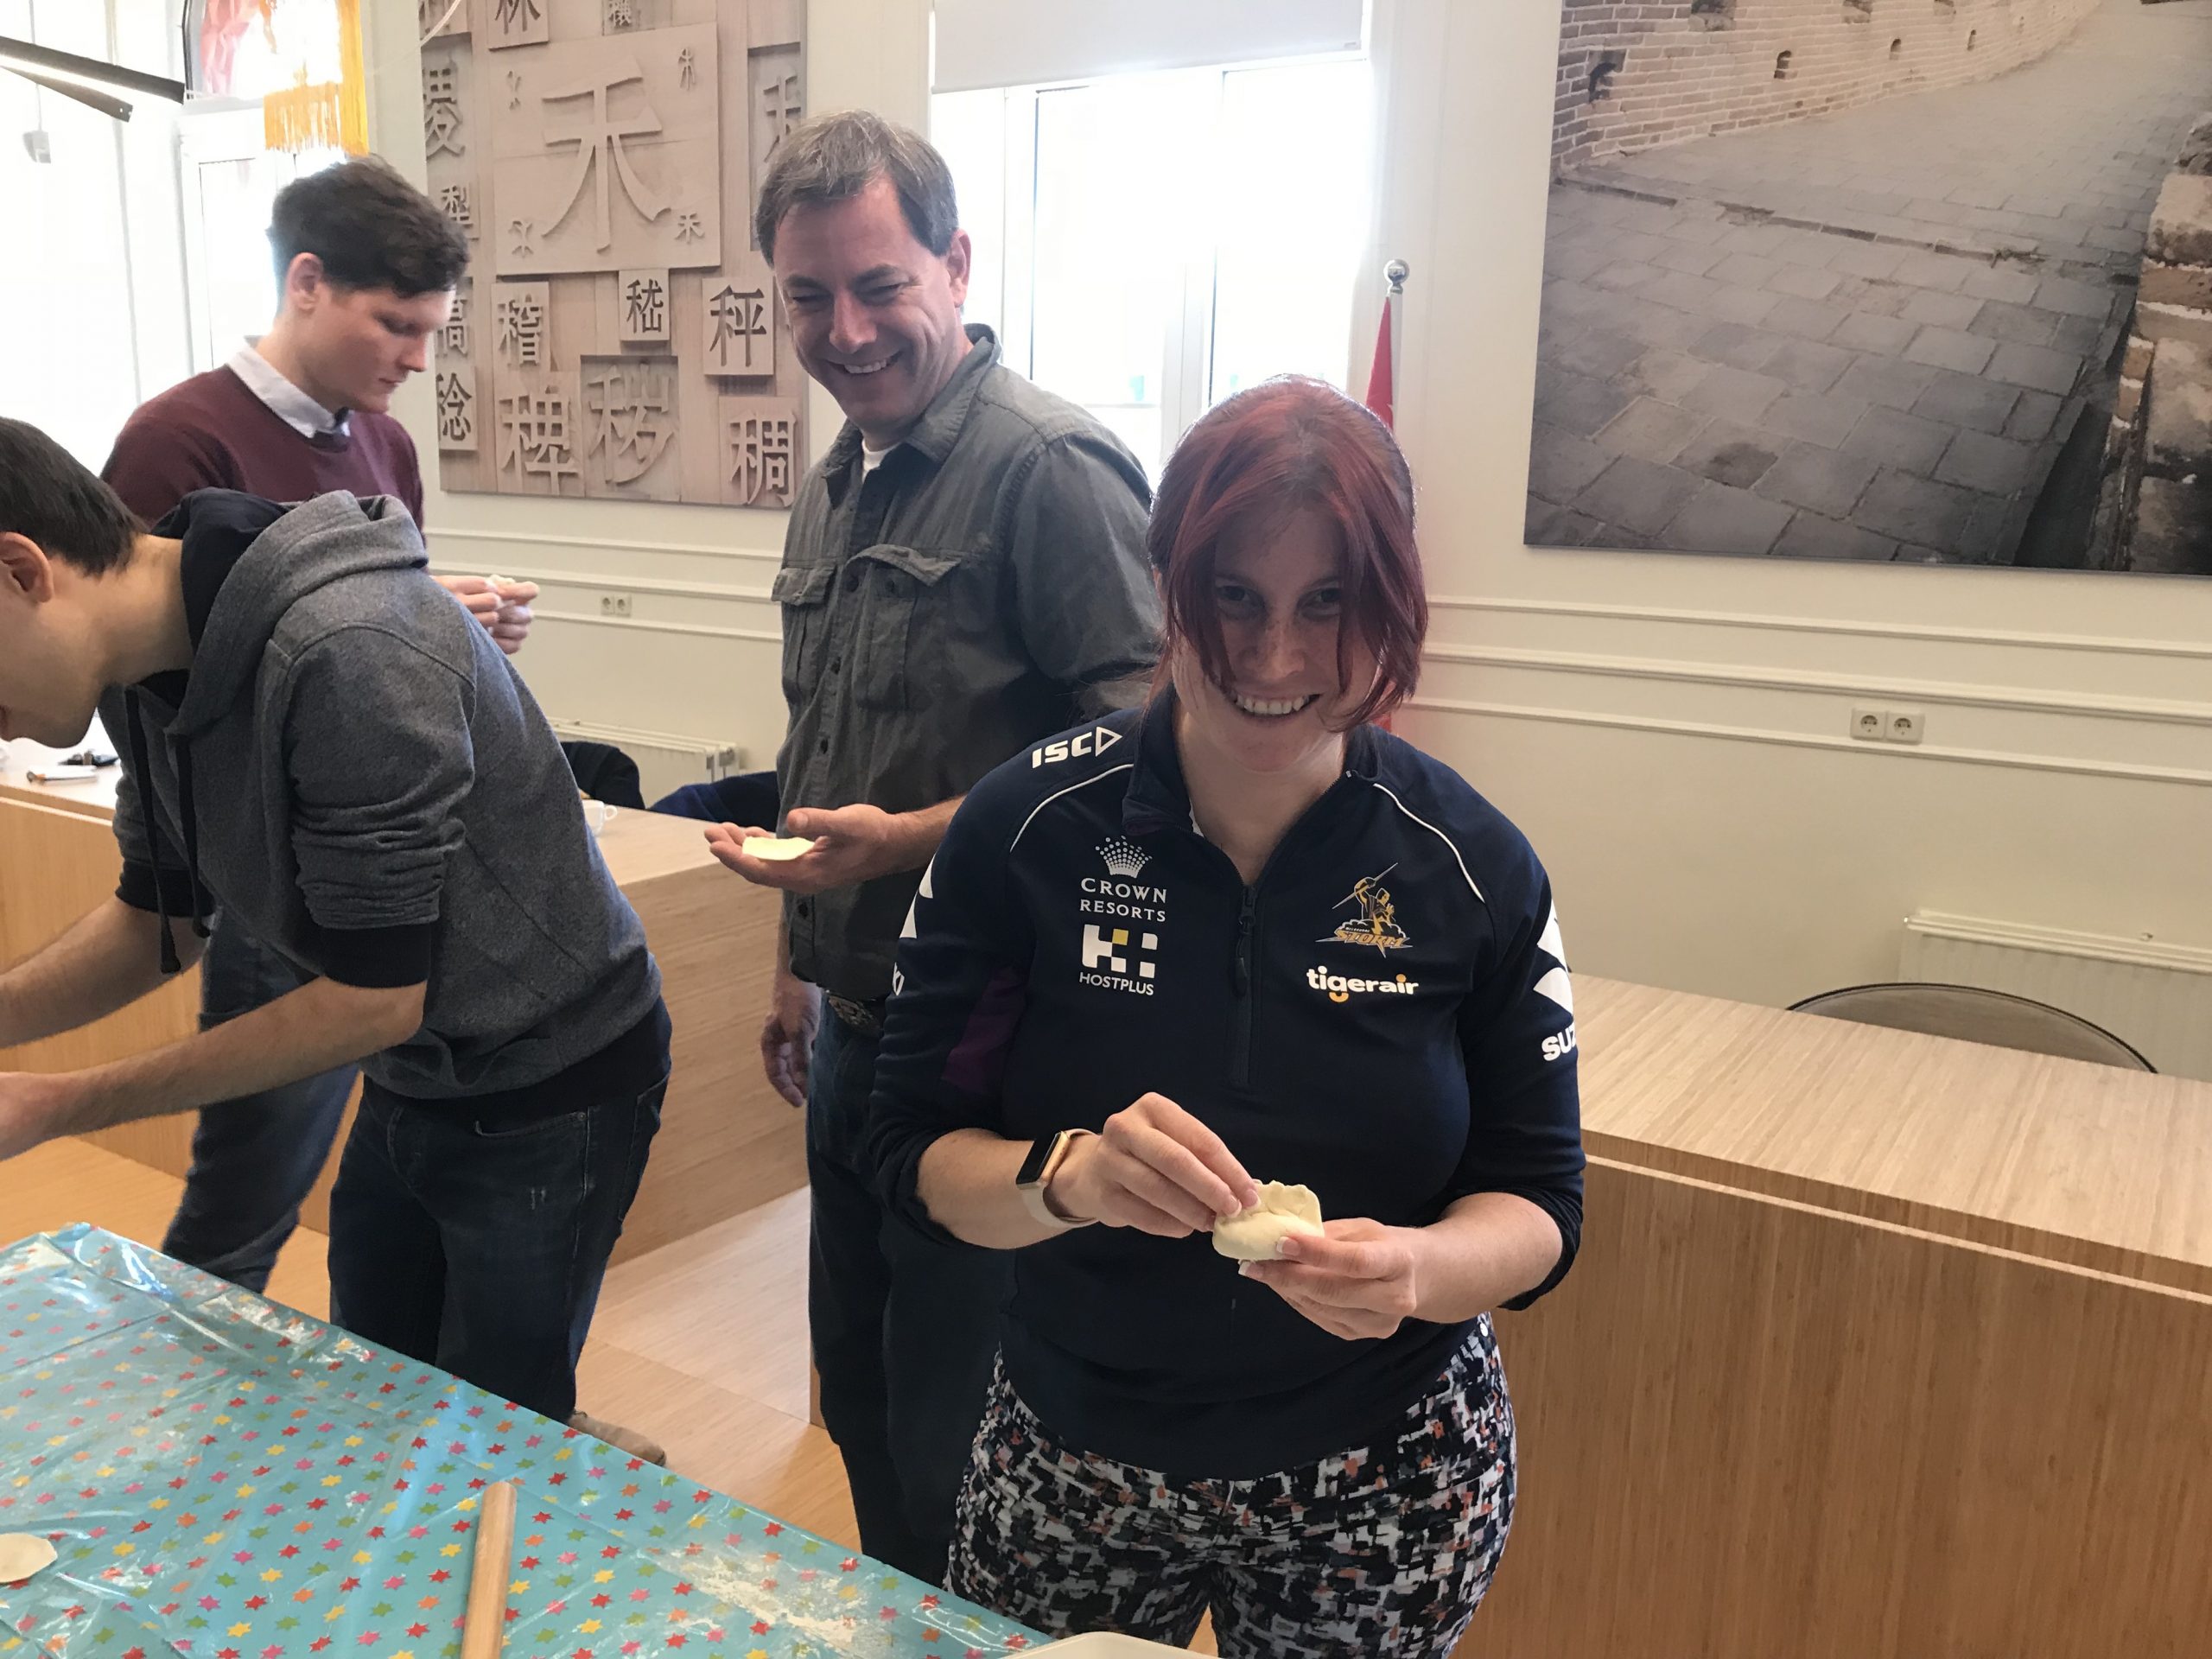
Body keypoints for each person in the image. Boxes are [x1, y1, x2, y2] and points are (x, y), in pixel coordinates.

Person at [867, 378, 1586, 1656]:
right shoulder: (1023, 832)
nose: (1275, 659)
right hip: (1072, 1455)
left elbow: (1539, 1204)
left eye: (1330, 602)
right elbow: (910, 1153)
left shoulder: (1473, 864)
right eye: (1233, 597)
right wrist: (1069, 1179)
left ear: (1393, 599)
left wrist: (1419, 1275)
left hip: (1387, 1474)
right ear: (1164, 586)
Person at [0, 420, 665, 1438]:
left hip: (556, 1077)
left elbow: (371, 1000)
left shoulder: (348, 650)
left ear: (20, 571)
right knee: (375, 1387)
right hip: (415, 1069)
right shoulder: (140, 671)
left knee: (496, 1426)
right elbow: (158, 920)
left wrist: (56, 1102)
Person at [701, 111, 1161, 1580]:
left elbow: (1146, 758)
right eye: (808, 297)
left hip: (998, 1049)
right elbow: (824, 746)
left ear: (956, 265)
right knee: (862, 1388)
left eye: (879, 285)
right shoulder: (839, 478)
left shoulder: (1053, 469)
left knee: (963, 1429)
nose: (845, 331)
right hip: (854, 1025)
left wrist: (899, 844)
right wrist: (795, 960)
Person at [98, 156, 539, 1301]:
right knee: (247, 1196)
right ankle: (188, 1401)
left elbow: (380, 662)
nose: (416, 359)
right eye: (396, 325)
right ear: (306, 284)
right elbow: (149, 686)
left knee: (395, 1189)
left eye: (430, 330)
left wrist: (456, 632)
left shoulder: (386, 446)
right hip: (268, 875)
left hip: (387, 862)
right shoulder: (174, 440)